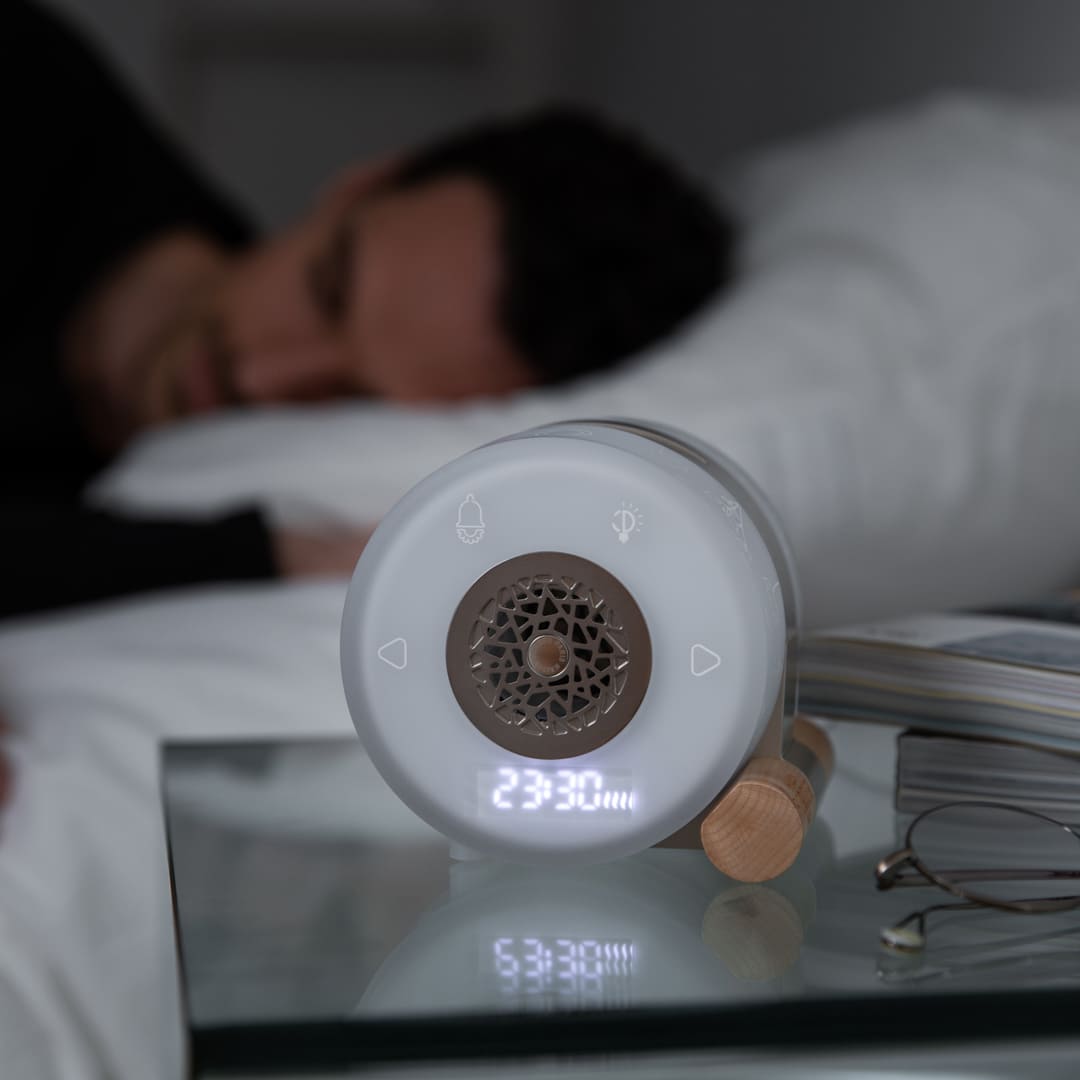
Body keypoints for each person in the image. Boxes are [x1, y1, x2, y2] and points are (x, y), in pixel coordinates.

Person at [3, 1, 734, 619]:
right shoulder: (30, 82)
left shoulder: (174, 501)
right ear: (362, 184)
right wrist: (251, 555)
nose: (262, 376)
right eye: (326, 290)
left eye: (350, 397)